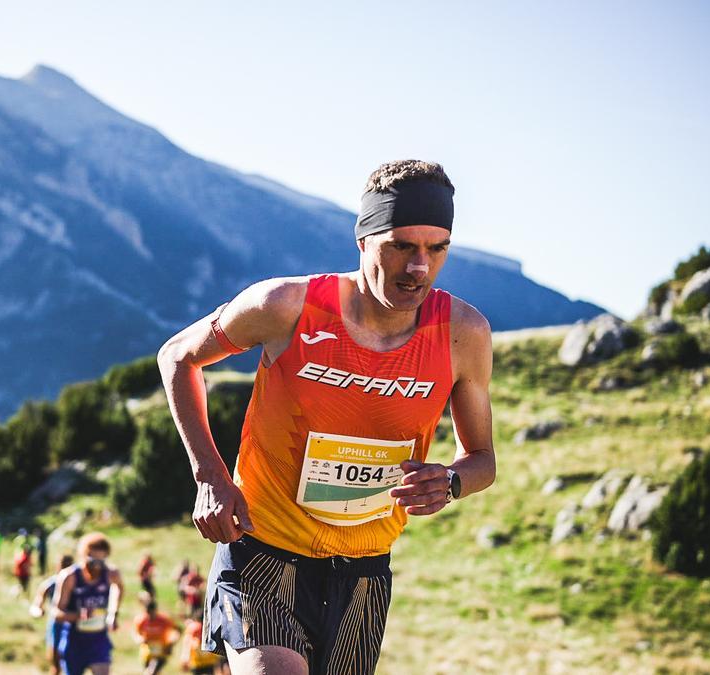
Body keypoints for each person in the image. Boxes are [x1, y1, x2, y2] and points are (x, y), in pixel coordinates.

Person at [158, 159, 497, 674]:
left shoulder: (462, 333)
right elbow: (178, 356)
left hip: (363, 574)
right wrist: (210, 476)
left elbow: (482, 460)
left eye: (437, 249)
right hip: (263, 553)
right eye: (402, 246)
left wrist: (450, 482)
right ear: (363, 241)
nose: (419, 268)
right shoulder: (287, 305)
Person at [54, 532, 124, 675]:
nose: (97, 567)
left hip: (98, 639)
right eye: (93, 561)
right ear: (84, 556)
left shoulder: (111, 573)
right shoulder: (70, 576)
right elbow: (57, 613)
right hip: (74, 640)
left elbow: (120, 588)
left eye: (101, 562)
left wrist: (113, 613)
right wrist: (79, 615)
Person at [30, 554, 76, 675]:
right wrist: (38, 611)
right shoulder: (50, 584)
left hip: (74, 625)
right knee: (55, 663)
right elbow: (37, 604)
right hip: (57, 624)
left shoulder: (77, 583)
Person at [133, 595, 177, 675]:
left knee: (151, 672)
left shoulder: (164, 620)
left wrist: (172, 643)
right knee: (151, 672)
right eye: (148, 613)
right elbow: (136, 633)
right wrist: (139, 639)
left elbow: (177, 631)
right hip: (147, 652)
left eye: (152, 613)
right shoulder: (141, 620)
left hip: (161, 652)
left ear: (155, 610)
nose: (150, 616)